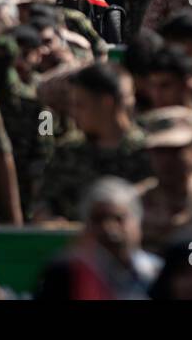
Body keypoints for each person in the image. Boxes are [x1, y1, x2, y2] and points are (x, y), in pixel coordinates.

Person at [34, 63, 151, 221]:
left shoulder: (148, 150)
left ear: (106, 102)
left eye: (80, 105)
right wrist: (49, 220)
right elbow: (43, 202)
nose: (73, 113)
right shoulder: (68, 150)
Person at [36, 177, 162, 299]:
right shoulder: (67, 276)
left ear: (138, 221)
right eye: (98, 219)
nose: (109, 228)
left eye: (118, 218)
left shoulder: (159, 274)